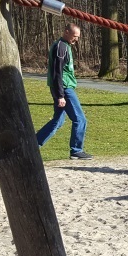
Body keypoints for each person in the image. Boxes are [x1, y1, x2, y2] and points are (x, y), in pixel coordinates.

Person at [36, 23, 92, 160]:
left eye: (78, 37)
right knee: (80, 119)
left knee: (58, 121)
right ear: (66, 32)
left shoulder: (64, 46)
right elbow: (57, 72)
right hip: (64, 88)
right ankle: (76, 150)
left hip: (63, 87)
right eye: (75, 36)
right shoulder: (61, 47)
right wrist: (60, 95)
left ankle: (33, 144)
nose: (76, 40)